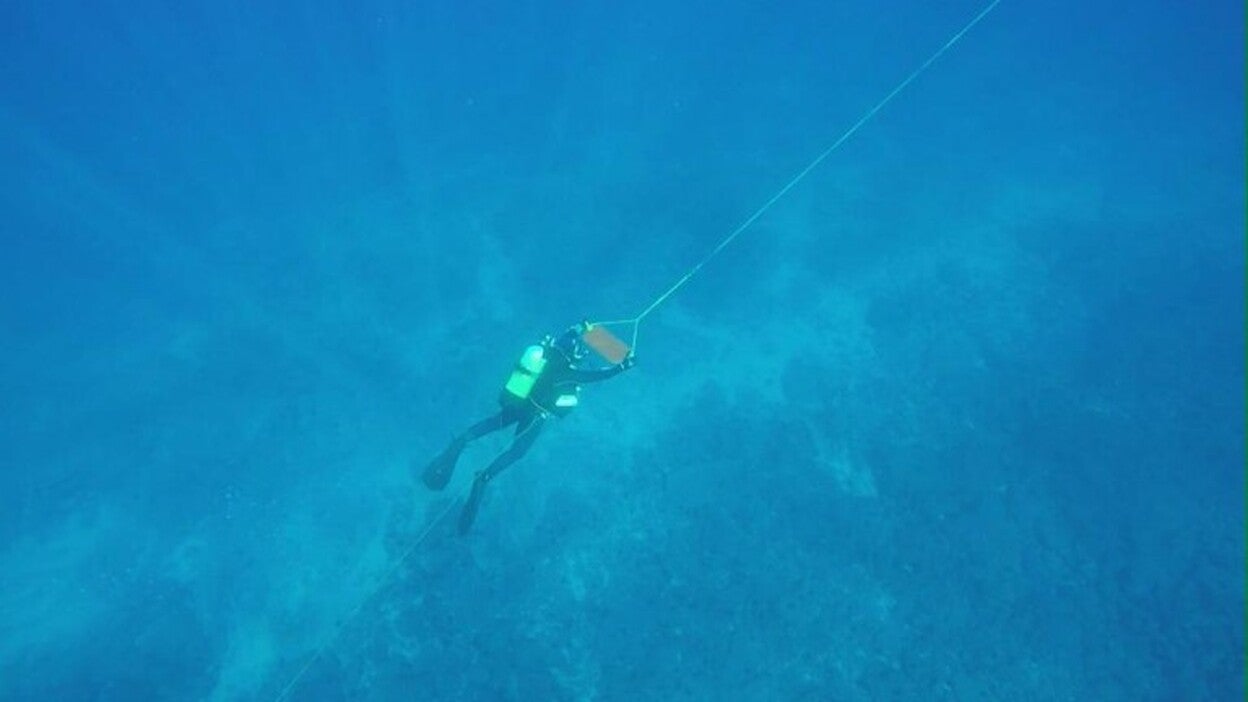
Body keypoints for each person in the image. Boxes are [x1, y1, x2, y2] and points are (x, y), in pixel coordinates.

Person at [421, 323, 635, 534]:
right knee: (517, 451)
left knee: (494, 422)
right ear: (570, 355)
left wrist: (581, 328)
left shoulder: (546, 354)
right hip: (533, 415)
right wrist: (623, 366)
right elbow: (598, 376)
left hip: (517, 403)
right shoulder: (567, 372)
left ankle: (461, 441)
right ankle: (484, 477)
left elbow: (570, 333)